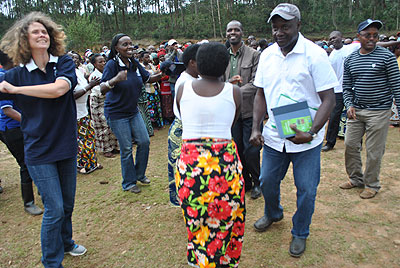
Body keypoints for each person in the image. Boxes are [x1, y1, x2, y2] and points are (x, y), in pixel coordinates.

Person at [0, 12, 87, 267]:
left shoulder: (63, 63)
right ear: (24, 39)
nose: (42, 35)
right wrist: (10, 87)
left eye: (45, 31)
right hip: (38, 150)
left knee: (67, 204)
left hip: (66, 144)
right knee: (54, 207)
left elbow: (60, 89)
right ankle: (51, 261)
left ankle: (67, 242)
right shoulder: (16, 74)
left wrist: (16, 91)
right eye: (35, 32)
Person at [250, 3, 337, 257]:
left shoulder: (315, 54)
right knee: (266, 181)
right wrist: (256, 127)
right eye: (275, 27)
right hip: (276, 137)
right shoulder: (267, 55)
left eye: (285, 26)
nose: (279, 32)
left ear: (298, 25)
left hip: (306, 140)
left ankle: (300, 232)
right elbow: (260, 94)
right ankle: (273, 213)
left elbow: (329, 99)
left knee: (307, 190)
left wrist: (311, 131)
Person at [176, 42, 245, 268]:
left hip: (190, 165)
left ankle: (199, 258)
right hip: (224, 166)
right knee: (226, 214)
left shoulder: (182, 89)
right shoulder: (234, 92)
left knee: (196, 215)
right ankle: (223, 258)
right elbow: (231, 123)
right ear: (226, 65)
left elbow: (184, 120)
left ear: (198, 63)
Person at [339, 19, 400, 199]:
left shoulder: (387, 57)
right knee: (350, 145)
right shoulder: (350, 60)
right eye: (368, 35)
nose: (372, 39)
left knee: (374, 151)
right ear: (359, 37)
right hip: (356, 111)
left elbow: (396, 86)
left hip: (379, 112)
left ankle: (372, 184)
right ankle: (356, 178)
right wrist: (349, 104)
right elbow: (347, 86)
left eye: (375, 35)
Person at [100, 33, 162, 194]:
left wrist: (164, 73)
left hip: (132, 111)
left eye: (131, 44)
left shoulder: (134, 63)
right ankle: (128, 182)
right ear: (116, 48)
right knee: (126, 148)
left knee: (144, 141)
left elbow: (148, 79)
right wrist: (116, 80)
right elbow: (102, 88)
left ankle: (139, 174)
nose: (129, 47)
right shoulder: (112, 65)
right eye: (125, 45)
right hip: (116, 113)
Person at [0, 50, 43, 215]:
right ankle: (28, 202)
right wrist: (31, 122)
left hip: (20, 126)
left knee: (35, 157)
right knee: (26, 163)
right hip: (12, 129)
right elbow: (8, 110)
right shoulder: (6, 77)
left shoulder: (13, 74)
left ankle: (42, 189)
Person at [224, 20, 262, 199]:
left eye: (236, 30)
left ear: (242, 33)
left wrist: (235, 89)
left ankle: (258, 183)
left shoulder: (254, 55)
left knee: (251, 150)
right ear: (226, 34)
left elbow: (257, 84)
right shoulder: (223, 56)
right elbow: (218, 82)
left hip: (251, 111)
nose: (233, 32)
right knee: (237, 148)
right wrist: (228, 85)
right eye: (230, 30)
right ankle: (245, 181)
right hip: (232, 113)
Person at [167, 44, 200, 207]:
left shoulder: (195, 78)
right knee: (182, 168)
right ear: (192, 62)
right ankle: (184, 201)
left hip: (189, 127)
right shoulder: (185, 83)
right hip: (184, 129)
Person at [321, 31, 360, 152]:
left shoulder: (352, 48)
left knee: (355, 116)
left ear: (341, 37)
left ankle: (358, 142)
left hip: (351, 89)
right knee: (334, 117)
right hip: (337, 91)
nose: (333, 40)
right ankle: (330, 143)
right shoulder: (331, 57)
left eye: (335, 37)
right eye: (330, 38)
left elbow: (375, 43)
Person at [68, 51, 102, 174]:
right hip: (74, 114)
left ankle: (92, 162)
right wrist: (90, 86)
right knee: (80, 141)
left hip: (84, 111)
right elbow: (72, 96)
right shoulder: (67, 75)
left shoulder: (79, 72)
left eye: (76, 58)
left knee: (89, 138)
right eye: (71, 58)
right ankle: (82, 166)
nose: (74, 60)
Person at [89, 54, 119, 158]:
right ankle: (105, 149)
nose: (103, 63)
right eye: (100, 62)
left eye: (104, 61)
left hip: (108, 100)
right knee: (103, 126)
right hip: (98, 102)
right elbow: (99, 91)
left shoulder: (107, 73)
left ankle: (114, 146)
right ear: (94, 64)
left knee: (111, 124)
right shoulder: (94, 76)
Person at [139, 51, 164, 129]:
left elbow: (157, 74)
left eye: (148, 57)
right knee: (149, 108)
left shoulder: (151, 65)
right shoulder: (140, 67)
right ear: (141, 58)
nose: (148, 59)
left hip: (154, 88)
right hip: (146, 90)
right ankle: (151, 126)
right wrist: (155, 74)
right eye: (146, 57)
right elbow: (144, 78)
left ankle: (158, 124)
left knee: (157, 106)